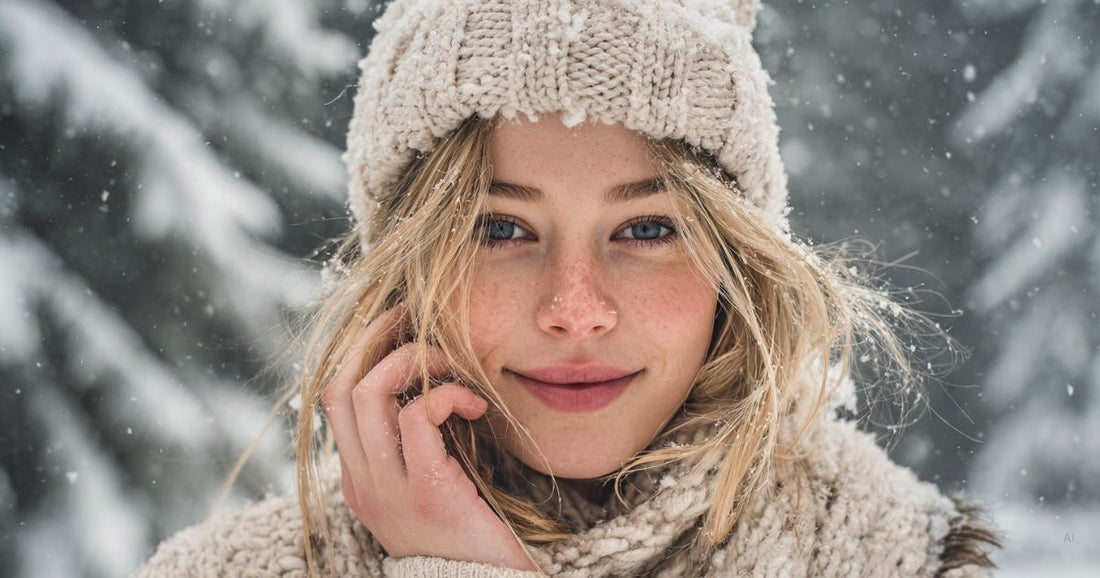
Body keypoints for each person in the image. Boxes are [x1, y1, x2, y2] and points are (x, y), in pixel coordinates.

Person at [133, 0, 1003, 576]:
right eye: (501, 230)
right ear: (407, 264)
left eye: (649, 230)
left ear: (737, 264)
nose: (576, 309)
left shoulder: (891, 559)